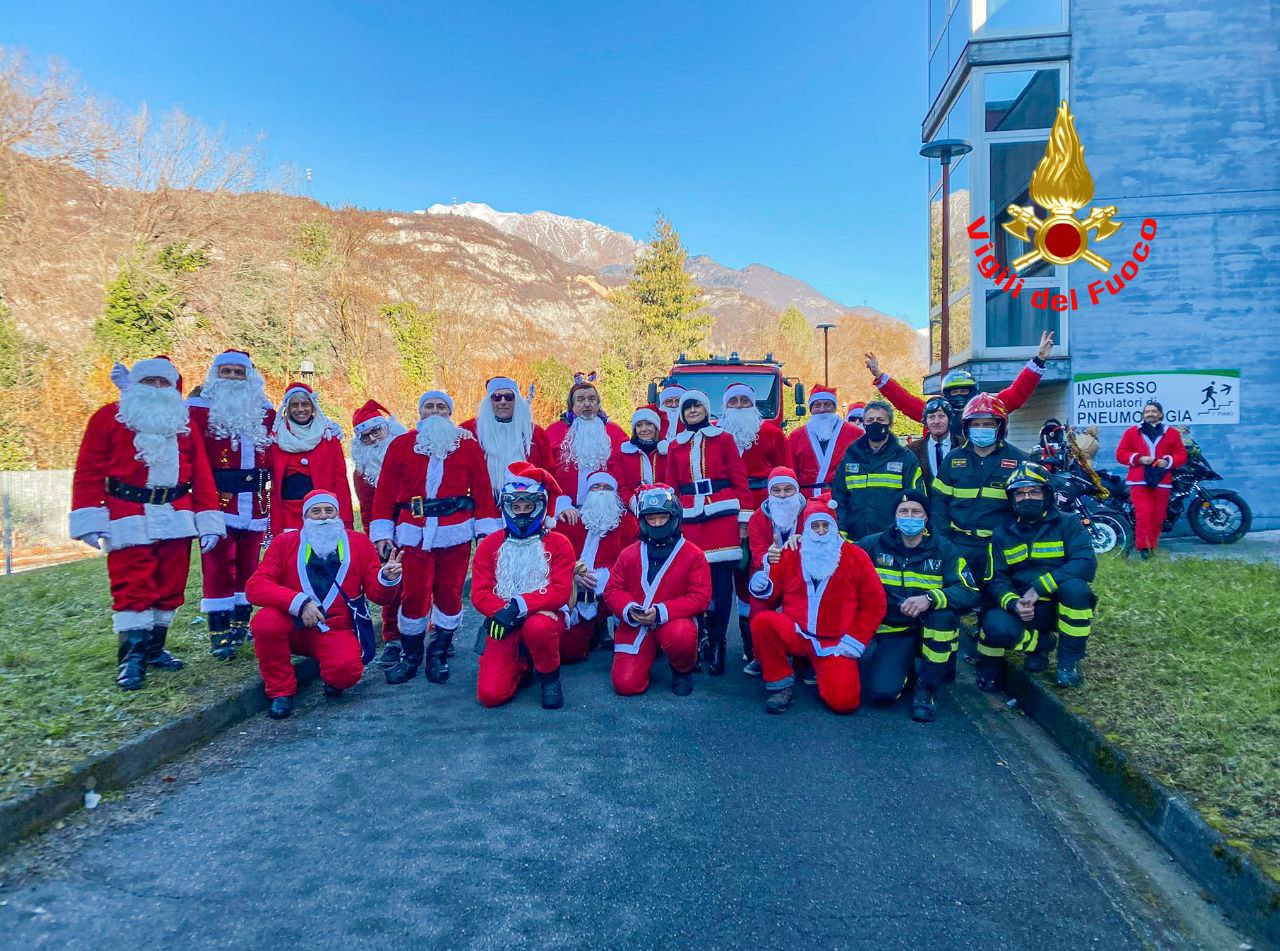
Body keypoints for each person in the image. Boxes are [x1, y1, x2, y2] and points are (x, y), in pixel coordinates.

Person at [69, 356, 225, 690]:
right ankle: (132, 658)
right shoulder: (108, 418)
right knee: (132, 585)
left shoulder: (183, 423)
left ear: (173, 388)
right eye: (149, 382)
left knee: (170, 585)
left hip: (177, 515)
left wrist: (208, 519)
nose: (157, 389)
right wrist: (89, 516)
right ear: (135, 385)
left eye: (163, 383)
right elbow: (89, 469)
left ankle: (155, 649)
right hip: (129, 515)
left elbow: (201, 472)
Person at [371, 390, 499, 686]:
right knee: (414, 594)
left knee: (450, 593)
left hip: (455, 533)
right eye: (429, 406)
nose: (435, 411)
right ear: (420, 412)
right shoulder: (401, 445)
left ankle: (438, 653)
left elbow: (481, 489)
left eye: (442, 407)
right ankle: (412, 656)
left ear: (449, 413)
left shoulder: (466, 447)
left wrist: (486, 532)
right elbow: (385, 492)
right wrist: (381, 532)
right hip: (412, 532)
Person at [246, 490, 403, 719]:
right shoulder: (284, 542)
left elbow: (378, 596)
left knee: (346, 672)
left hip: (333, 627)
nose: (323, 517)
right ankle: (280, 691)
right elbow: (256, 585)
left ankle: (334, 677)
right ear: (305, 517)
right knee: (265, 623)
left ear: (338, 515)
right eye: (316, 511)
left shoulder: (358, 542)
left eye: (330, 511)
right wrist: (298, 602)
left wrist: (387, 578)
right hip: (291, 623)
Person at [748, 499, 886, 714]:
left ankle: (817, 668)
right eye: (814, 526)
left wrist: (855, 641)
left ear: (834, 527)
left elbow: (875, 604)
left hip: (835, 643)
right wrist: (763, 581)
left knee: (844, 703)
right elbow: (771, 596)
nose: (821, 532)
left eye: (825, 525)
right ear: (806, 528)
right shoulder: (791, 552)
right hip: (798, 633)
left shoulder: (855, 557)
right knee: (764, 622)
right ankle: (781, 684)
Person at [857, 490, 978, 722]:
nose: (909, 517)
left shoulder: (944, 549)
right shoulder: (872, 545)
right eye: (903, 511)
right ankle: (904, 667)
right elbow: (840, 561)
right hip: (894, 630)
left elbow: (969, 591)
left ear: (925, 518)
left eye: (916, 512)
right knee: (882, 694)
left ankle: (927, 687)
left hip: (931, 627)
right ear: (895, 516)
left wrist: (930, 598)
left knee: (942, 616)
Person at [186, 349, 274, 659]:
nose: (234, 379)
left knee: (250, 566)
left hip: (256, 503)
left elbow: (296, 424)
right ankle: (218, 631)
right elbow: (190, 457)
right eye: (228, 373)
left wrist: (327, 428)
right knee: (217, 566)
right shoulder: (197, 411)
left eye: (240, 373)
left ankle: (241, 623)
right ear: (216, 375)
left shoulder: (264, 411)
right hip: (218, 502)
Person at [981, 462, 1098, 689]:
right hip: (1024, 609)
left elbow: (1085, 563)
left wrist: (1041, 587)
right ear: (1012, 499)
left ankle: (1068, 663)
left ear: (1047, 493)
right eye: (1020, 493)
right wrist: (1014, 603)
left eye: (1034, 491)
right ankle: (1039, 645)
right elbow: (995, 579)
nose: (1027, 498)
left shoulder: (1068, 523)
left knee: (1077, 590)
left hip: (1058, 606)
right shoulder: (1002, 533)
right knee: (994, 626)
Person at [471, 463, 575, 709]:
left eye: (528, 507)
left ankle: (549, 678)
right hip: (502, 619)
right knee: (490, 696)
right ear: (505, 507)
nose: (521, 513)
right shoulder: (489, 545)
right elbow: (479, 593)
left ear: (540, 506)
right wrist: (502, 613)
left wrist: (518, 606)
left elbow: (560, 591)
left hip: (543, 616)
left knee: (538, 626)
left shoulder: (559, 543)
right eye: (515, 507)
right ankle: (521, 664)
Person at [664, 390, 752, 675]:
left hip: (723, 515)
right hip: (689, 517)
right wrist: (672, 521)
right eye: (687, 408)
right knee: (695, 583)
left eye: (696, 406)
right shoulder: (675, 446)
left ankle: (718, 643)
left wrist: (743, 520)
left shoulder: (724, 439)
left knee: (722, 582)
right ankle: (699, 637)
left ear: (705, 409)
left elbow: (740, 479)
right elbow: (671, 487)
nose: (691, 411)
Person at [603, 484, 711, 696]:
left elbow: (701, 597)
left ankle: (682, 670)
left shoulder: (694, 554)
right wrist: (630, 610)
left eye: (662, 517)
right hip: (636, 623)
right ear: (643, 521)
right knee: (626, 686)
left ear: (675, 518)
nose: (657, 523)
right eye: (651, 518)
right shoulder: (628, 554)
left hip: (672, 621)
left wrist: (662, 612)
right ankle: (647, 654)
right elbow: (613, 590)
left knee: (681, 636)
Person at [864, 331, 1054, 435]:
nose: (960, 396)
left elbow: (1018, 393)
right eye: (954, 393)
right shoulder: (932, 413)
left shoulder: (991, 407)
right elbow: (904, 401)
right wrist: (880, 377)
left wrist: (1038, 360)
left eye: (964, 391)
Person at [930, 393, 1029, 579]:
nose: (981, 429)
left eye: (988, 424)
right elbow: (938, 504)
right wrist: (943, 542)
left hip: (1002, 546)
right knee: (961, 599)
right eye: (976, 424)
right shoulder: (953, 459)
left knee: (997, 599)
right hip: (960, 544)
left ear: (1000, 427)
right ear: (967, 427)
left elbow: (1029, 508)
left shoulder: (1019, 460)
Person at [553, 472, 638, 662]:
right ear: (587, 493)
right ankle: (592, 630)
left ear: (615, 493)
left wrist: (606, 578)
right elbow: (554, 558)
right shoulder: (572, 521)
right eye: (595, 488)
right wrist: (572, 573)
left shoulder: (627, 522)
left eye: (607, 488)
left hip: (614, 594)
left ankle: (617, 630)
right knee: (569, 652)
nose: (601, 493)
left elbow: (634, 562)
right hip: (578, 597)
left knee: (629, 652)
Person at [350, 399, 408, 668]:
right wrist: (377, 539)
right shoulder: (362, 473)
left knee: (421, 582)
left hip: (416, 523)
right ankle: (393, 637)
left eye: (377, 432)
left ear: (388, 430)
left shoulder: (410, 454)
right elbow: (367, 510)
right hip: (386, 531)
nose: (373, 439)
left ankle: (425, 632)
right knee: (391, 583)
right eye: (366, 436)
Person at [740, 466, 806, 675]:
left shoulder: (810, 512)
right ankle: (763, 655)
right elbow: (756, 552)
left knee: (805, 607)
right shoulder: (758, 518)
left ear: (797, 491)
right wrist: (769, 556)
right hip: (769, 572)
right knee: (758, 605)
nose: (783, 495)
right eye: (777, 490)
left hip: (802, 575)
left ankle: (804, 656)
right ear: (769, 492)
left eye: (789, 490)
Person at [832, 398, 925, 541]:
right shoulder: (850, 457)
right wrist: (841, 532)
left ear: (890, 424)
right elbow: (839, 498)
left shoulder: (906, 459)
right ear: (864, 424)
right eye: (870, 420)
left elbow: (915, 499)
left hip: (892, 540)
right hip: (855, 540)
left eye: (880, 420)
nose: (875, 424)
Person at [268, 382, 353, 536]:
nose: (300, 409)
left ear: (313, 406)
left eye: (305, 404)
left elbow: (340, 480)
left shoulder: (328, 437)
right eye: (295, 405)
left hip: (322, 511)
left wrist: (346, 520)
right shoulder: (276, 438)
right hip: (287, 512)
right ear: (287, 408)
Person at [544, 372, 627, 521]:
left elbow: (627, 470)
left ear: (598, 403)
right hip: (566, 514)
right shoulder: (554, 432)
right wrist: (559, 504)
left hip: (605, 513)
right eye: (580, 399)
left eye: (592, 399)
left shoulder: (615, 432)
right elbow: (544, 472)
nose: (587, 404)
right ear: (572, 405)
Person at [1116, 400, 1187, 558]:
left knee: (1158, 515)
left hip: (1162, 481)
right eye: (1147, 412)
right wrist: (1139, 459)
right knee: (1144, 514)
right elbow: (1120, 454)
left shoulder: (1173, 433)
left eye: (1154, 411)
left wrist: (1168, 461)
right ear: (1143, 415)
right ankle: (1143, 547)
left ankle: (1153, 545)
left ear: (1160, 414)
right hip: (1139, 480)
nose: (1150, 414)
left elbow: (1181, 455)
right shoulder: (1131, 432)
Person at [460, 376, 552, 498]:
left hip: (527, 506)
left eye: (509, 397)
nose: (503, 402)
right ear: (490, 401)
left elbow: (550, 473)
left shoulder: (535, 434)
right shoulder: (472, 430)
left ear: (516, 401)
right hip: (484, 508)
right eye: (497, 398)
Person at [719, 382, 791, 513]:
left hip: (762, 498)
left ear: (753, 404)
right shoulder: (715, 434)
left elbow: (784, 467)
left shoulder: (772, 433)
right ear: (726, 406)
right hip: (726, 499)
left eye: (745, 400)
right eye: (733, 401)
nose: (739, 405)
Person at [787, 385, 862, 498]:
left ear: (835, 407)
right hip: (808, 499)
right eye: (817, 405)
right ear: (811, 409)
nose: (822, 409)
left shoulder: (856, 434)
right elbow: (790, 470)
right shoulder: (796, 436)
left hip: (845, 498)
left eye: (827, 404)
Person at [612, 408, 665, 508]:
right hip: (633, 510)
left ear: (656, 427)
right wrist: (634, 503)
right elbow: (620, 486)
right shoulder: (623, 454)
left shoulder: (666, 452)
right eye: (639, 425)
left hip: (664, 509)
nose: (644, 429)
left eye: (649, 424)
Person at [907, 396, 965, 485]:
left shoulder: (965, 446)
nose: (936, 421)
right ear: (925, 421)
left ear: (949, 419)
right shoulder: (912, 450)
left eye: (941, 416)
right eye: (931, 417)